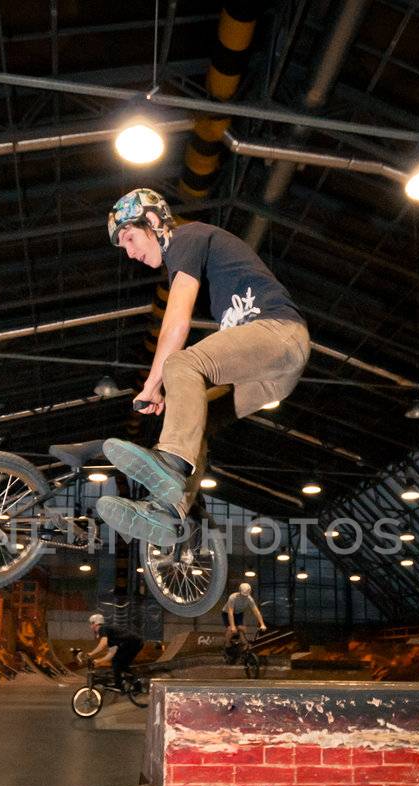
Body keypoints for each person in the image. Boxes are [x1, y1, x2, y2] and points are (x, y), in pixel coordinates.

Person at [94, 189, 310, 546]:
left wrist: (153, 384)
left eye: (130, 238)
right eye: (123, 247)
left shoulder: (186, 237)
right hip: (274, 376)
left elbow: (176, 321)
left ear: (152, 221)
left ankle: (172, 467)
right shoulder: (186, 249)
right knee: (200, 419)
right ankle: (172, 510)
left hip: (280, 335)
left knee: (182, 362)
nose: (130, 252)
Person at [79, 612, 143, 689]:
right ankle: (131, 683)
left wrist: (91, 654)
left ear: (95, 623)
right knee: (117, 662)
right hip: (132, 643)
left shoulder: (102, 628)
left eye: (91, 624)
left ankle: (124, 683)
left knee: (117, 661)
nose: (90, 627)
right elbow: (111, 653)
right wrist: (99, 661)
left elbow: (103, 644)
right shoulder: (110, 633)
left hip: (134, 643)